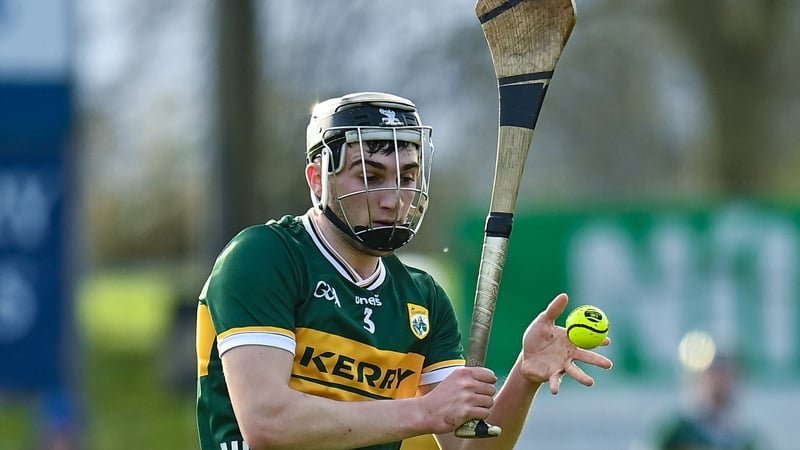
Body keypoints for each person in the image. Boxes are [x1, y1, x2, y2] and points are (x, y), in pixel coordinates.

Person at [195, 91, 613, 450]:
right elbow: (268, 422)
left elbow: (464, 446)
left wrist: (524, 375)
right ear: (317, 180)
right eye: (370, 176)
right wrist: (424, 411)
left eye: (407, 175)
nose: (393, 198)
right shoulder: (264, 258)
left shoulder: (422, 297)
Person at [651, 351, 764, 450]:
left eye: (726, 373)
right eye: (714, 373)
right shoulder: (677, 432)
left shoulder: (744, 440)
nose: (720, 381)